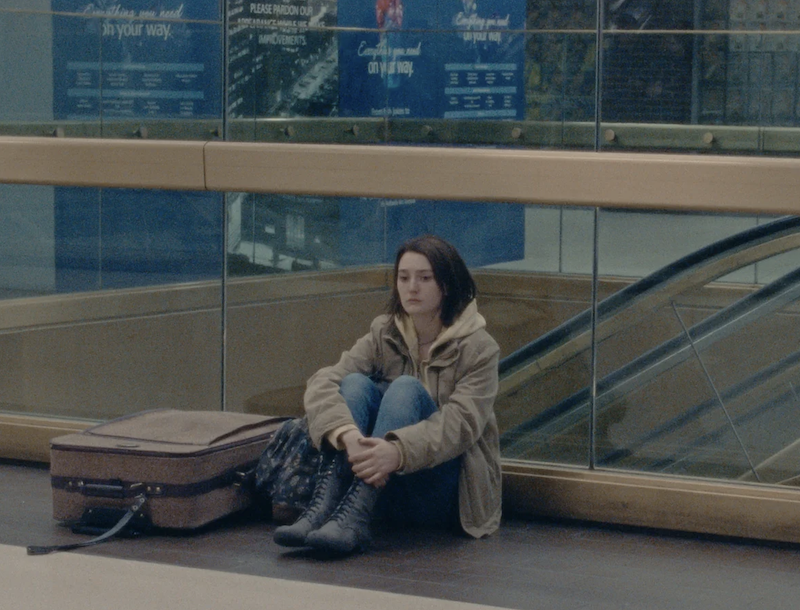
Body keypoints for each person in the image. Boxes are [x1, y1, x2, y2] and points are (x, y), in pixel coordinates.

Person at [273, 234, 501, 554]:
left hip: (443, 495)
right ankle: (324, 509)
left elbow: (461, 425)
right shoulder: (385, 331)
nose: (411, 288)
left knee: (404, 389)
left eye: (424, 278)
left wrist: (398, 451)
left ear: (447, 285)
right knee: (353, 384)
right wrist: (347, 436)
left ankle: (354, 518)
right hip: (384, 484)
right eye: (404, 278)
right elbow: (322, 383)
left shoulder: (480, 349)